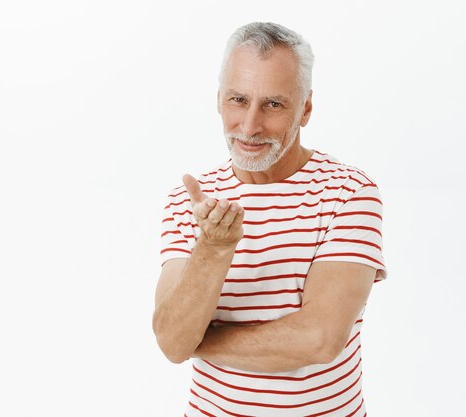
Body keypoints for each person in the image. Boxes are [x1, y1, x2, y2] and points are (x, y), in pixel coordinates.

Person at [152, 21, 388, 417]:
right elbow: (172, 339)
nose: (249, 127)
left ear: (306, 108)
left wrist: (198, 341)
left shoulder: (349, 193)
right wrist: (213, 248)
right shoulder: (188, 201)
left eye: (273, 105)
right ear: (218, 100)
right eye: (238, 100)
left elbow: (319, 339)